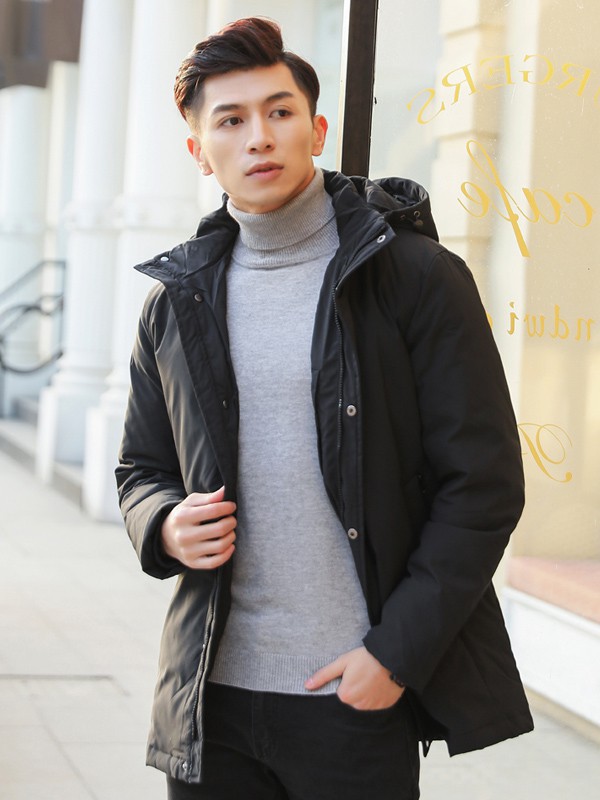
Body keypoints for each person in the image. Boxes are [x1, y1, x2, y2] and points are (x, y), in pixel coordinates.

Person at [116, 16, 533, 800]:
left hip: (354, 695)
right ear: (199, 151)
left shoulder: (415, 279)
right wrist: (164, 524)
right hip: (209, 700)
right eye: (230, 121)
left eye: (279, 112)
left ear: (317, 130)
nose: (259, 137)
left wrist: (396, 656)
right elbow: (141, 468)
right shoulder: (176, 302)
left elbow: (482, 488)